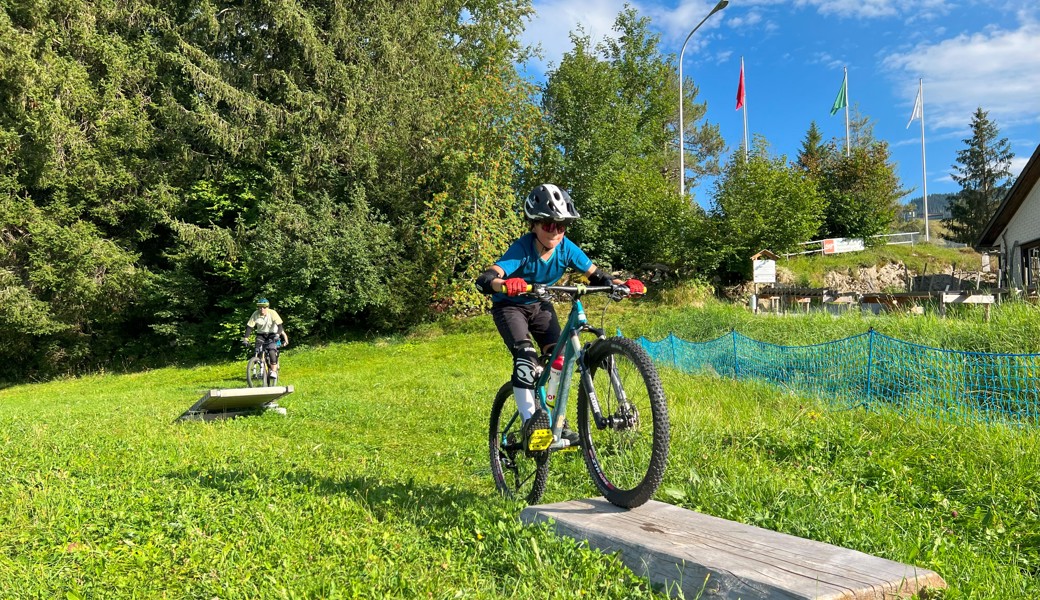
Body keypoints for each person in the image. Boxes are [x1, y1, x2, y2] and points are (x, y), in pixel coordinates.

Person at [475, 183, 645, 453]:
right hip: (510, 306)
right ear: (533, 224)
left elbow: (595, 274)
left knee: (559, 359)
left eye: (561, 225)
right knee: (526, 359)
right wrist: (500, 283)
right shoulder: (522, 248)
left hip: (541, 305)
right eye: (547, 224)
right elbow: (489, 276)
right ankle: (530, 423)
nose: (555, 231)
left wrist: (620, 284)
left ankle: (554, 420)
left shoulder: (567, 248)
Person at [241, 298, 289, 385]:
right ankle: (261, 367)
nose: (261, 309)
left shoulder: (273, 313)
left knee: (271, 350)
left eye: (263, 307)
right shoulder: (255, 314)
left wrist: (278, 335)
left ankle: (273, 371)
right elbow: (249, 327)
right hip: (261, 334)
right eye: (259, 307)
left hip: (273, 334)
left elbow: (280, 326)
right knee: (257, 350)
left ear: (267, 307)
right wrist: (246, 338)